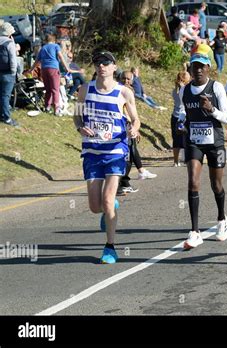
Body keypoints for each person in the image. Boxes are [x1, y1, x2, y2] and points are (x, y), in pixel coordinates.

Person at [73, 51, 140, 264]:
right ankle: (108, 208)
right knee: (95, 206)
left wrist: (134, 130)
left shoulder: (124, 93)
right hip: (92, 152)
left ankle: (110, 247)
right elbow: (76, 115)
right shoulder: (84, 90)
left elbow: (136, 119)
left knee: (108, 199)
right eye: (98, 62)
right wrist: (80, 127)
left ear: (114, 67)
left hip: (115, 151)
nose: (101, 66)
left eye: (106, 62)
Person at [175, 44, 227, 249]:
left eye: (202, 66)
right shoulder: (184, 90)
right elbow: (181, 112)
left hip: (215, 142)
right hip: (193, 141)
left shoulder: (216, 88)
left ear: (208, 69)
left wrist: (212, 109)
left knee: (216, 185)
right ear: (190, 69)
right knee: (193, 182)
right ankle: (195, 231)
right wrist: (181, 122)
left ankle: (221, 220)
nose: (198, 70)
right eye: (195, 66)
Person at [117, 70, 156, 195]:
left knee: (130, 152)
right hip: (121, 126)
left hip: (129, 125)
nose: (126, 81)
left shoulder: (129, 91)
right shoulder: (117, 91)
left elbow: (131, 112)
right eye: (124, 78)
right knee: (128, 154)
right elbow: (124, 112)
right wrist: (132, 126)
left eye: (128, 79)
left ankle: (126, 181)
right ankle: (124, 181)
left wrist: (135, 127)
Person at [29, 34, 71, 115]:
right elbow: (60, 56)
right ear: (54, 40)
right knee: (55, 89)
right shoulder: (56, 46)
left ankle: (47, 106)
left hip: (44, 69)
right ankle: (56, 109)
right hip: (53, 68)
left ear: (46, 40)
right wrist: (66, 67)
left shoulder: (43, 48)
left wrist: (31, 69)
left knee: (48, 89)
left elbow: (37, 60)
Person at [0, 22, 19, 127]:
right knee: (5, 96)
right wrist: (13, 72)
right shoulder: (9, 43)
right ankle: (7, 118)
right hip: (7, 73)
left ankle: (1, 114)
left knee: (1, 95)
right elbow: (13, 59)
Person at [171, 70, 191, 166]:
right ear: (185, 78)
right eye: (188, 76)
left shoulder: (175, 89)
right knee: (186, 138)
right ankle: (186, 159)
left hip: (175, 116)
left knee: (176, 139)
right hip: (184, 116)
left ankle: (176, 161)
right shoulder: (186, 89)